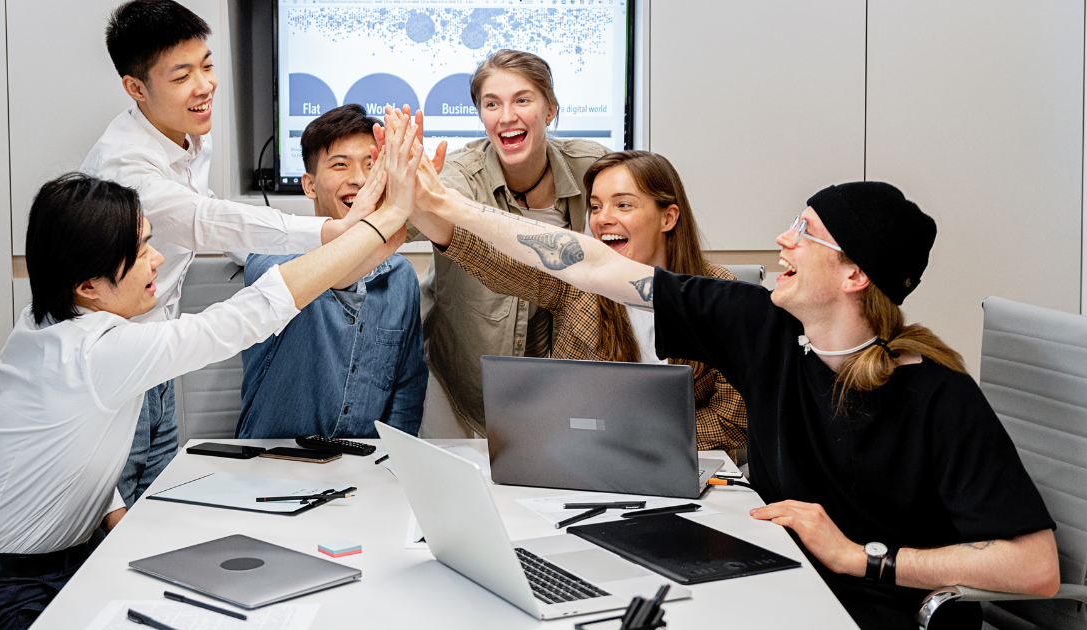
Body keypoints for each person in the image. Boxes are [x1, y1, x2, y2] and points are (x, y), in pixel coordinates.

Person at [403, 127, 1058, 628]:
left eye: (806, 232)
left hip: (858, 610)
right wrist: (447, 206)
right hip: (771, 581)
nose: (782, 239)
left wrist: (862, 557)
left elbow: (1036, 568)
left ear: (856, 275)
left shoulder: (936, 394)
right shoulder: (761, 324)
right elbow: (586, 264)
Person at [0, 116, 422, 629]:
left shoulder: (47, 324)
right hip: (5, 601)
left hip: (61, 566)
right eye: (141, 252)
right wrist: (384, 219)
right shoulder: (98, 351)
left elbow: (64, 442)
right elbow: (241, 318)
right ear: (87, 283)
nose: (157, 261)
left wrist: (116, 515)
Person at [81, 0, 393, 513]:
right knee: (118, 521)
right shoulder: (127, 165)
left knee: (160, 514)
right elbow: (204, 218)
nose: (204, 85)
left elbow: (211, 222)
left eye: (207, 65)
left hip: (157, 360)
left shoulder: (185, 133)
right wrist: (332, 230)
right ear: (136, 88)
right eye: (182, 75)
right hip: (115, 365)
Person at [409, 149, 746, 452]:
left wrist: (638, 438)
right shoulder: (580, 283)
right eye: (596, 206)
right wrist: (417, 204)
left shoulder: (718, 292)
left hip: (690, 467)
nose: (602, 218)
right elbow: (497, 263)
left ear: (668, 218)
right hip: (589, 463)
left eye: (623, 204)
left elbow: (733, 420)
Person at [416, 49, 609, 437]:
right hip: (467, 382)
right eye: (492, 104)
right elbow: (397, 228)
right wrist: (400, 190)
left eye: (522, 100)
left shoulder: (593, 166)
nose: (506, 116)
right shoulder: (458, 178)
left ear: (550, 109)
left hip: (563, 384)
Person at [232, 105, 427, 439]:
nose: (361, 179)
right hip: (271, 464)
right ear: (309, 186)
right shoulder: (270, 257)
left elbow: (406, 391)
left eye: (372, 164)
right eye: (341, 165)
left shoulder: (400, 276)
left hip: (365, 473)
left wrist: (391, 466)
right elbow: (326, 280)